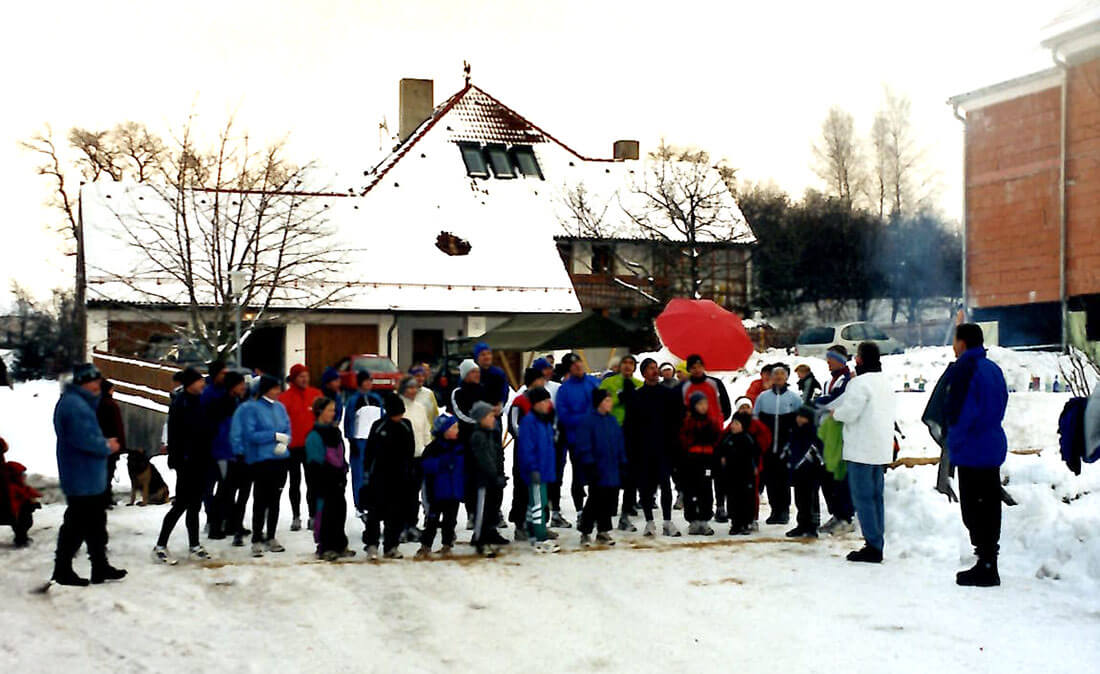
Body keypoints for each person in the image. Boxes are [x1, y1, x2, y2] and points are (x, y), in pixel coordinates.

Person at [945, 323, 1009, 587]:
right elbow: (1002, 402)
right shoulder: (992, 368)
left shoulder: (965, 369)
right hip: (992, 444)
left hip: (972, 449)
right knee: (990, 506)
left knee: (974, 510)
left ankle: (985, 566)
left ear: (962, 343)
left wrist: (953, 443)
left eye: (954, 341)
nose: (953, 346)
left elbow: (962, 414)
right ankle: (988, 561)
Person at [52, 363, 125, 586]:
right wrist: (107, 446)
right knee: (76, 524)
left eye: (98, 381)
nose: (97, 385)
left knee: (95, 522)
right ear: (82, 383)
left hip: (87, 475)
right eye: (93, 381)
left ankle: (99, 566)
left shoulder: (79, 402)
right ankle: (62, 569)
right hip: (81, 475)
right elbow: (82, 439)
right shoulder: (75, 405)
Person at [830, 342, 895, 564]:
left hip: (861, 449)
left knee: (863, 497)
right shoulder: (885, 381)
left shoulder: (859, 383)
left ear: (860, 359)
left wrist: (835, 413)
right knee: (876, 497)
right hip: (880, 447)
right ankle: (877, 539)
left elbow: (850, 413)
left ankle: (872, 545)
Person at [154, 367, 213, 563]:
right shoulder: (181, 403)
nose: (202, 384)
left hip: (200, 460)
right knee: (181, 504)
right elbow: (176, 434)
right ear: (190, 384)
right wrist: (179, 458)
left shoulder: (199, 401)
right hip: (186, 462)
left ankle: (194, 544)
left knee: (195, 505)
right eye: (199, 381)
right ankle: (160, 545)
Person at [231, 375, 292, 557]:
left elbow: (287, 428)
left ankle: (271, 535)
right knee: (261, 499)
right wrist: (273, 436)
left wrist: (285, 442)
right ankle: (256, 538)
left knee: (275, 500)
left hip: (280, 458)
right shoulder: (253, 408)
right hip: (261, 459)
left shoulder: (280, 407)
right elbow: (250, 435)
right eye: (275, 388)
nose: (278, 391)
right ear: (266, 389)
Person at [624, 358, 684, 537]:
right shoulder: (637, 396)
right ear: (643, 373)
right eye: (651, 368)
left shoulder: (668, 394)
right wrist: (632, 449)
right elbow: (630, 425)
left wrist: (675, 444)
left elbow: (677, 420)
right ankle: (649, 521)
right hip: (643, 448)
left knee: (665, 484)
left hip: (664, 447)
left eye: (656, 368)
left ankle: (667, 521)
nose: (655, 371)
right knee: (646, 487)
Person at [680, 355, 732, 523]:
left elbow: (726, 406)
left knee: (718, 473)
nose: (697, 369)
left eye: (699, 366)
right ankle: (697, 509)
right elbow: (680, 409)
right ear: (689, 369)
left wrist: (718, 421)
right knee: (700, 477)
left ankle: (720, 505)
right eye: (693, 367)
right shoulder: (685, 386)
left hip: (714, 434)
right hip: (694, 438)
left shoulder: (714, 383)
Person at [363, 394, 416, 560]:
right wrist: (367, 474)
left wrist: (409, 473)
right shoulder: (379, 426)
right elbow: (369, 452)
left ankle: (391, 545)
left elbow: (410, 450)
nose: (399, 416)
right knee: (374, 512)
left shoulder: (406, 425)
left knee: (396, 513)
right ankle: (371, 544)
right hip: (380, 476)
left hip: (400, 477)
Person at [574, 389, 627, 546]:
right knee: (595, 500)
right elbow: (584, 444)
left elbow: (619, 442)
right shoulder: (588, 421)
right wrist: (589, 463)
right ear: (599, 402)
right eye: (607, 400)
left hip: (612, 467)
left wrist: (623, 461)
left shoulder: (612, 420)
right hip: (597, 467)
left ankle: (603, 530)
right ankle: (585, 530)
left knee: (609, 500)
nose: (610, 403)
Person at [554, 353, 600, 525]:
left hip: (596, 438)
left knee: (597, 476)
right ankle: (580, 511)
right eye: (573, 365)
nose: (578, 366)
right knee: (579, 476)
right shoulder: (564, 390)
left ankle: (594, 509)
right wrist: (587, 418)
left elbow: (604, 404)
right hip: (577, 439)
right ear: (569, 369)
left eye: (579, 362)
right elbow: (564, 416)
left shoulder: (594, 383)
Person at [753, 364, 802, 525]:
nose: (779, 377)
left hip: (785, 446)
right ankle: (774, 510)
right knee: (770, 478)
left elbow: (801, 422)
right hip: (767, 446)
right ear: (771, 378)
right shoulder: (763, 397)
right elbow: (755, 419)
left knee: (783, 479)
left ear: (786, 377)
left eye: (782, 374)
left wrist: (794, 442)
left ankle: (784, 511)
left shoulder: (794, 398)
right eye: (776, 374)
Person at [814, 346, 855, 535]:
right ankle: (836, 514)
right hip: (827, 431)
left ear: (840, 360)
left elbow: (834, 401)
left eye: (831, 358)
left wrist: (817, 403)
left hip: (839, 432)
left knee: (838, 475)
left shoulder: (848, 380)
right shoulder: (830, 380)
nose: (828, 362)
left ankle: (845, 516)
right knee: (827, 475)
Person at [305, 397, 353, 561]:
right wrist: (329, 476)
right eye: (330, 410)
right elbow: (315, 463)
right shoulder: (314, 435)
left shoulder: (335, 432)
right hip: (324, 481)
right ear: (320, 411)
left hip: (338, 479)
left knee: (339, 511)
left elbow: (340, 452)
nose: (333, 413)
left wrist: (343, 469)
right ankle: (325, 546)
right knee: (325, 513)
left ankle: (340, 544)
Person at [207, 371, 252, 544]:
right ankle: (216, 525)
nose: (243, 387)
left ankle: (232, 523)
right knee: (225, 489)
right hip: (225, 451)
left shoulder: (237, 401)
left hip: (235, 452)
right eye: (240, 384)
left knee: (232, 489)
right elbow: (224, 429)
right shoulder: (224, 403)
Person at [516, 387, 561, 553]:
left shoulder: (544, 421)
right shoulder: (529, 422)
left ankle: (531, 530)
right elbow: (526, 449)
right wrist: (532, 468)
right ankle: (540, 537)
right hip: (535, 471)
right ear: (536, 403)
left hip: (545, 469)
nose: (548, 404)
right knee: (538, 504)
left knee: (536, 502)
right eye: (545, 401)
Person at [506, 367, 549, 540]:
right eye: (541, 378)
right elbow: (513, 425)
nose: (544, 381)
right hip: (524, 451)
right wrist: (527, 439)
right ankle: (520, 524)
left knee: (541, 488)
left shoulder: (544, 399)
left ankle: (539, 523)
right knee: (522, 486)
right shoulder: (520, 401)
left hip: (542, 451)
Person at [279, 364, 322, 532]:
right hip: (292, 447)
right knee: (294, 482)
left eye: (306, 376)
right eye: (301, 376)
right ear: (293, 378)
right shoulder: (285, 398)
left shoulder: (315, 395)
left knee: (313, 482)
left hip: (311, 446)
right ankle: (296, 516)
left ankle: (313, 516)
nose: (305, 379)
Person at [599, 354, 639, 530]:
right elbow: (599, 402)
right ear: (619, 366)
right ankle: (609, 508)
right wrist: (618, 399)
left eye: (631, 363)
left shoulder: (639, 384)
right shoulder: (609, 383)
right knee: (612, 472)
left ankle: (626, 511)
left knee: (631, 474)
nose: (628, 366)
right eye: (625, 363)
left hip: (633, 433)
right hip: (613, 431)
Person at [417, 415, 465, 557]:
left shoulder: (459, 446)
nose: (457, 430)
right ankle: (425, 546)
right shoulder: (433, 448)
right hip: (436, 492)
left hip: (454, 491)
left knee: (450, 521)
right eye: (454, 428)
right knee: (432, 521)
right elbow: (425, 466)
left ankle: (447, 545)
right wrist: (443, 463)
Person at [468, 401, 510, 556]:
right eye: (490, 416)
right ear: (481, 418)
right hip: (483, 481)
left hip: (494, 479)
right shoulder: (478, 436)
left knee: (492, 509)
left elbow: (497, 455)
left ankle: (490, 533)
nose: (493, 419)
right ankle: (480, 540)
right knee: (482, 511)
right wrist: (494, 476)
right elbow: (484, 460)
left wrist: (500, 474)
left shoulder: (491, 433)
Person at [679, 392, 721, 535]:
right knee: (690, 490)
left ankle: (705, 518)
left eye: (705, 404)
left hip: (707, 461)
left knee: (706, 490)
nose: (703, 407)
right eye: (699, 404)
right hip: (691, 461)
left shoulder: (711, 422)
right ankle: (693, 519)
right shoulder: (687, 422)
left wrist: (715, 459)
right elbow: (682, 441)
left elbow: (717, 441)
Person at [344, 370, 383, 515]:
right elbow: (348, 421)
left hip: (375, 440)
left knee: (375, 472)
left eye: (370, 380)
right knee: (359, 473)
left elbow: (381, 417)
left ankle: (374, 501)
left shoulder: (376, 398)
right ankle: (359, 504)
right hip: (359, 440)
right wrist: (351, 439)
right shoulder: (354, 400)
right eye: (366, 380)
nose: (369, 383)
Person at [397, 375, 431, 542]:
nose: (412, 391)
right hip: (401, 457)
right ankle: (400, 526)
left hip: (418, 456)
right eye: (409, 388)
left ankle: (412, 524)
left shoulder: (420, 408)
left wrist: (428, 448)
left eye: (414, 388)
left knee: (414, 493)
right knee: (401, 493)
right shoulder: (398, 407)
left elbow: (425, 431)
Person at [716, 412, 759, 535]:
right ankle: (735, 523)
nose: (733, 426)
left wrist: (754, 467)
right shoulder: (728, 438)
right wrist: (722, 459)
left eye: (736, 423)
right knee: (732, 500)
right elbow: (721, 450)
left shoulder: (748, 438)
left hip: (746, 476)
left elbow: (755, 454)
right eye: (732, 423)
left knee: (746, 500)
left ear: (743, 425)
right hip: (731, 475)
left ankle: (746, 523)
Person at [784, 408, 824, 538]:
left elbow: (818, 451)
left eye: (803, 417)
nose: (800, 419)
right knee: (800, 499)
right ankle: (802, 524)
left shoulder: (814, 432)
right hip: (798, 471)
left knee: (811, 498)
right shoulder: (794, 430)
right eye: (798, 416)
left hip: (811, 470)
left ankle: (812, 526)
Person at [733, 397, 771, 530]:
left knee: (752, 493)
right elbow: (724, 439)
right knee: (736, 493)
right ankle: (737, 519)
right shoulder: (733, 424)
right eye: (742, 407)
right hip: (735, 465)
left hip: (752, 464)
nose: (744, 410)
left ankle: (752, 518)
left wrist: (755, 450)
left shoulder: (757, 424)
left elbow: (766, 438)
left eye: (747, 407)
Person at [0, 437, 41, 547]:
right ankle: (21, 538)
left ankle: (21, 536)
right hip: (7, 508)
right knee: (24, 510)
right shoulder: (7, 473)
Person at [96, 380, 126, 508]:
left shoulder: (96, 403)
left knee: (103, 471)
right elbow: (117, 426)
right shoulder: (110, 404)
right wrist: (120, 443)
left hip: (101, 442)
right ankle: (105, 498)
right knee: (108, 472)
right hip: (111, 442)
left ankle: (104, 497)